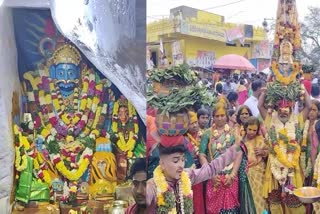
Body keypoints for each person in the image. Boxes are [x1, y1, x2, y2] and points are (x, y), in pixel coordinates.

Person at [146, 135, 242, 213]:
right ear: (162, 164)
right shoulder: (153, 186)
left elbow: (211, 169)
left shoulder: (187, 175)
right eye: (176, 161)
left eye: (183, 160)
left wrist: (234, 148)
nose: (181, 165)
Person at [259, 86, 311, 214]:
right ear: (277, 109)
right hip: (274, 166)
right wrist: (266, 92)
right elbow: (260, 107)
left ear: (291, 109)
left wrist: (303, 89)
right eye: (280, 109)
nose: (283, 112)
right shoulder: (271, 119)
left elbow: (308, 106)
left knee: (293, 199)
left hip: (292, 166)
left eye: (286, 109)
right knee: (275, 199)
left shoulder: (297, 120)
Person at [199, 101, 243, 213]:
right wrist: (210, 173)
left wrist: (232, 174)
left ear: (227, 116)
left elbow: (238, 154)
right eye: (217, 116)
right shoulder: (207, 134)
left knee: (231, 210)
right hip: (214, 178)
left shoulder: (233, 133)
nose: (220, 118)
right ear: (212, 117)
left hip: (230, 178)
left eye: (222, 115)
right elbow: (202, 154)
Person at [242, 116, 268, 213]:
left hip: (259, 173)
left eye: (254, 130)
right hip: (245, 172)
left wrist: (262, 152)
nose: (252, 132)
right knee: (249, 196)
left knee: (260, 196)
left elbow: (269, 152)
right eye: (250, 129)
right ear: (245, 128)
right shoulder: (241, 140)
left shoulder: (260, 139)